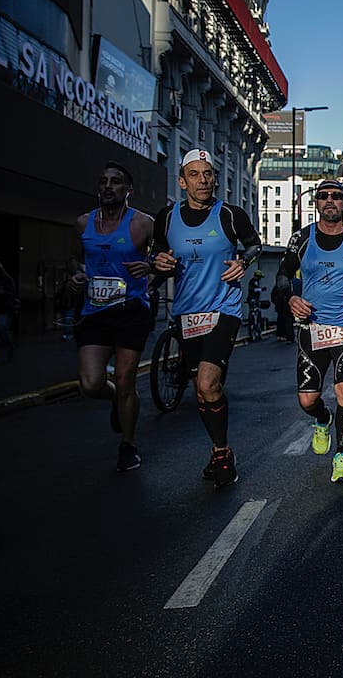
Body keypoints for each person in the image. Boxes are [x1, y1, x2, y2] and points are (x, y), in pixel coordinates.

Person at [152, 149, 261, 489]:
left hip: (223, 309)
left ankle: (223, 453)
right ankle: (218, 449)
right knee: (203, 393)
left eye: (208, 173)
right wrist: (158, 263)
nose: (203, 180)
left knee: (206, 384)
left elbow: (254, 245)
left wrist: (243, 262)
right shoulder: (167, 218)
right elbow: (157, 255)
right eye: (195, 174)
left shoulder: (230, 214)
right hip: (187, 313)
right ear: (182, 181)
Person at [278, 180, 343, 483]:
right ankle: (323, 419)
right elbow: (283, 274)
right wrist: (290, 297)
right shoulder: (301, 239)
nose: (329, 200)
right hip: (311, 327)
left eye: (336, 196)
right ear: (316, 202)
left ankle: (341, 455)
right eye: (323, 196)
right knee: (307, 400)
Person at [69, 162, 154, 471]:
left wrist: (151, 266)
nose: (108, 186)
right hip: (95, 312)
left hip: (131, 311)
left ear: (128, 190)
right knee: (91, 383)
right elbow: (75, 259)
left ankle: (128, 445)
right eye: (103, 181)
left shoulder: (143, 224)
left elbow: (166, 258)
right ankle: (116, 398)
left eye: (115, 181)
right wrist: (76, 275)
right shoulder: (83, 223)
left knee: (125, 377)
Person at [0, 259, 17, 365]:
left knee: (2, 329)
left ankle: (9, 345)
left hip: (3, 309)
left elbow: (12, 293)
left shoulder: (7, 280)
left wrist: (1, 292)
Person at [246, 270, 266, 341]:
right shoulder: (253, 281)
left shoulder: (253, 281)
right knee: (254, 317)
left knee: (256, 316)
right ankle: (254, 333)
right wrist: (261, 289)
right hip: (253, 301)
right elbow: (254, 290)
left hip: (254, 300)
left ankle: (256, 333)